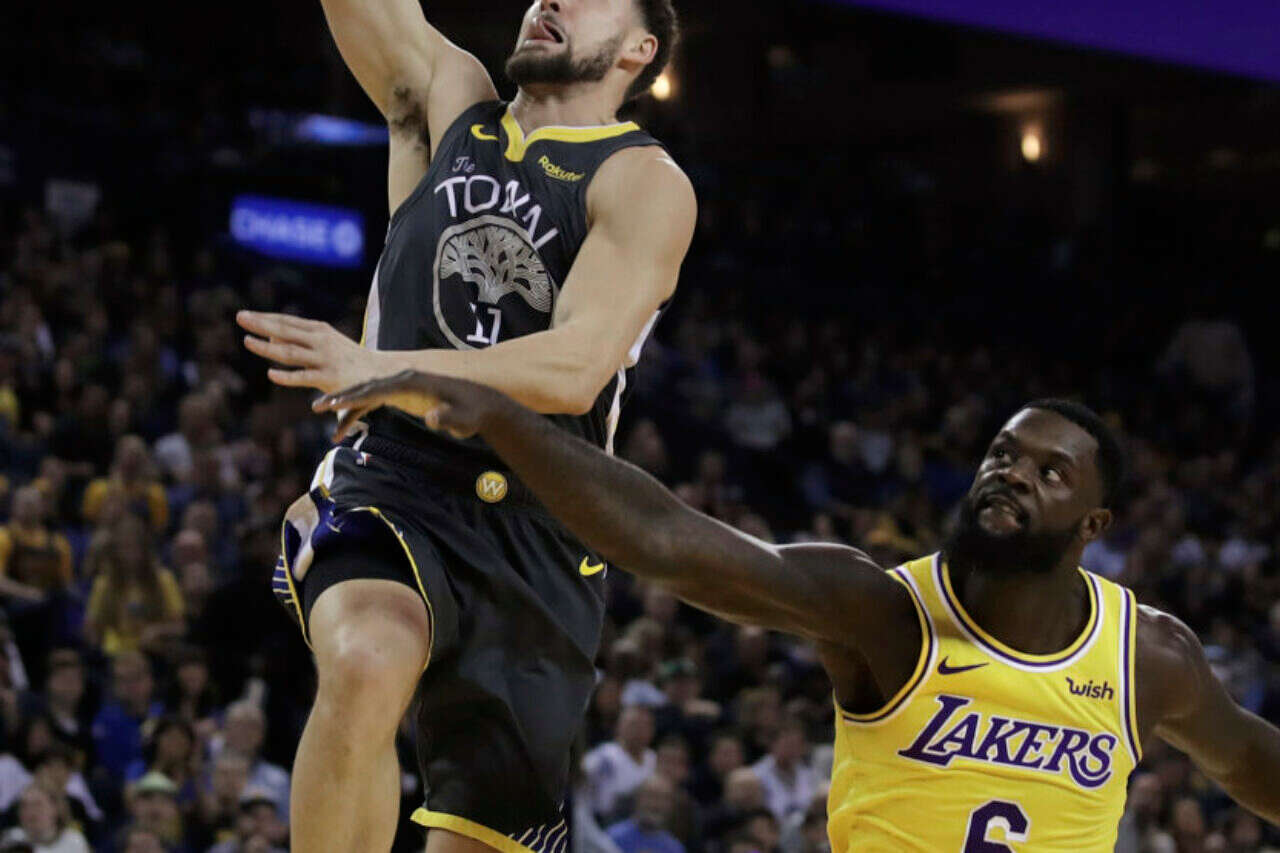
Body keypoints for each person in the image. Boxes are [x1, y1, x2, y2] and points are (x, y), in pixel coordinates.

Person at [315, 373, 1280, 850]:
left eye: (1050, 472)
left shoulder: (1148, 658)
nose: (1013, 473)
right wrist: (503, 419)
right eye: (1002, 453)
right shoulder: (885, 612)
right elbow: (667, 538)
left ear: (1095, 524)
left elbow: (1250, 762)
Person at [236, 0, 694, 848]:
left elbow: (574, 368)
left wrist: (389, 370)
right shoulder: (451, 98)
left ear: (639, 49)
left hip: (540, 526)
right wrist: (390, 384)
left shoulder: (643, 181)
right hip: (398, 476)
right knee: (367, 660)